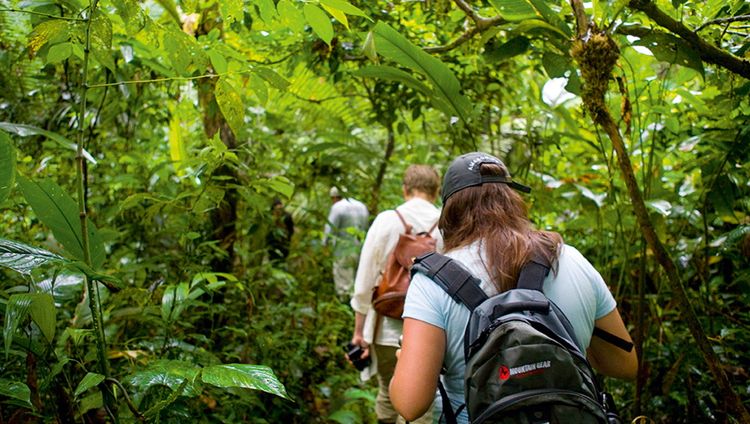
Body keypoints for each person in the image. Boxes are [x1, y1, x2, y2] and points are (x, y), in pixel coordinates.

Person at [390, 152, 638, 423]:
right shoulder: (571, 259)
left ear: (449, 211)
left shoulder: (432, 282)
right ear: (513, 198)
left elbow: (410, 404)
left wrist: (408, 360)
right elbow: (624, 364)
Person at [349, 165, 442, 424]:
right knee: (422, 399)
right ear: (436, 192)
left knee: (387, 392)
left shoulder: (387, 220)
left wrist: (359, 333)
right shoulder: (445, 224)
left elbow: (364, 280)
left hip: (384, 329)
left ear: (405, 189)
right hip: (429, 330)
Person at [323, 187, 370, 298]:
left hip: (343, 250)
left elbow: (329, 228)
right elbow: (366, 228)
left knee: (344, 281)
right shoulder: (361, 206)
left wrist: (324, 244)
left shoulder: (337, 207)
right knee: (358, 279)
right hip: (360, 249)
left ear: (334, 197)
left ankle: (345, 304)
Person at [266, 198, 294, 263]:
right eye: (277, 209)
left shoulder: (287, 216)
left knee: (282, 260)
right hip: (272, 242)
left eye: (280, 209)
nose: (279, 211)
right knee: (273, 260)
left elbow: (291, 230)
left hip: (284, 242)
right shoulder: (269, 217)